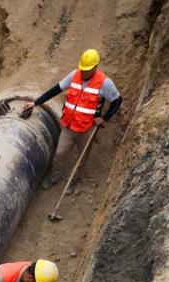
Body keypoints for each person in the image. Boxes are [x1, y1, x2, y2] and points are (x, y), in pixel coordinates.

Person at [22, 49, 122, 191]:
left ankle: (74, 181)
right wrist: (35, 102)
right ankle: (56, 176)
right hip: (69, 126)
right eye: (83, 69)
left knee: (81, 159)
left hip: (87, 129)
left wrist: (104, 118)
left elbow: (117, 101)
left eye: (87, 70)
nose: (84, 73)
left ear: (95, 67)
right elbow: (55, 90)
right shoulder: (74, 75)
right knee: (59, 154)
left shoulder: (104, 83)